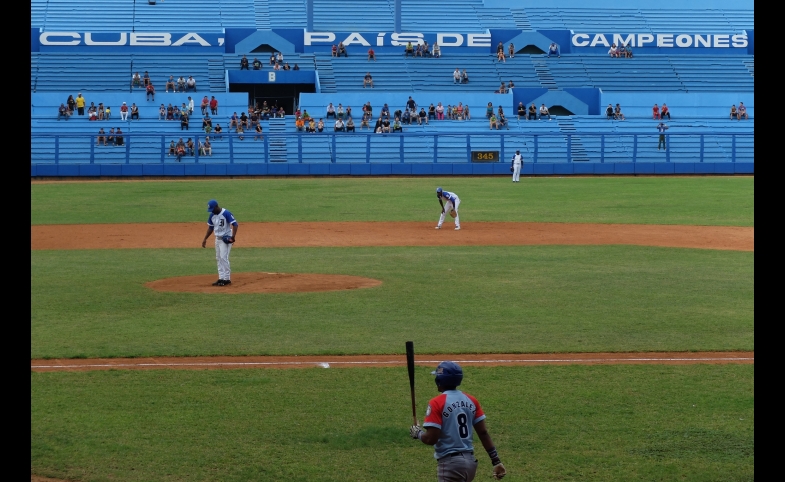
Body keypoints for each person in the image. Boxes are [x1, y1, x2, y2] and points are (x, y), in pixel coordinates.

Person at [409, 361, 506, 481]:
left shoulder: (437, 402)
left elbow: (431, 438)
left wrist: (417, 433)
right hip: (470, 464)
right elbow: (483, 433)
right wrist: (496, 461)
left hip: (451, 465)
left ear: (439, 380)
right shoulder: (471, 400)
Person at [201, 199, 238, 286]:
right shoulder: (212, 215)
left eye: (213, 209)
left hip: (226, 239)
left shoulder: (226, 213)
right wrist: (205, 238)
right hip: (217, 239)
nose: (212, 211)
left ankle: (227, 279)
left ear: (217, 207)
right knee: (218, 258)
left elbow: (235, 224)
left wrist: (233, 237)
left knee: (223, 258)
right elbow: (210, 228)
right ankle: (221, 278)